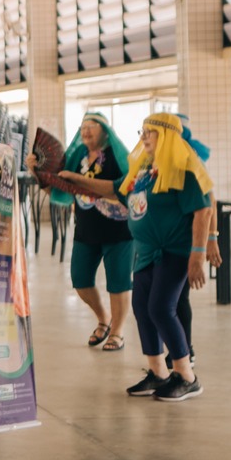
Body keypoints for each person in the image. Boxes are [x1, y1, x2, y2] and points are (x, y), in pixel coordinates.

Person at [117, 113, 211, 402]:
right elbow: (118, 192)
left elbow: (203, 210)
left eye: (150, 132)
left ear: (167, 135)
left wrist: (198, 254)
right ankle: (158, 373)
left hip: (174, 251)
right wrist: (67, 180)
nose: (144, 137)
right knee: (142, 307)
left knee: (160, 308)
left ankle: (187, 377)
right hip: (145, 252)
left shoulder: (184, 170)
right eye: (142, 131)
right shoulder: (145, 170)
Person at [51, 112, 133, 352]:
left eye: (92, 127)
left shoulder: (118, 158)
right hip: (86, 228)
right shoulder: (78, 158)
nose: (85, 131)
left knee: (118, 282)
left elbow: (120, 191)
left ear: (105, 131)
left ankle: (117, 331)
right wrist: (38, 172)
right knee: (80, 278)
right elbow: (63, 188)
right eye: (82, 127)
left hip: (118, 229)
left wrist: (77, 179)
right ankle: (103, 317)